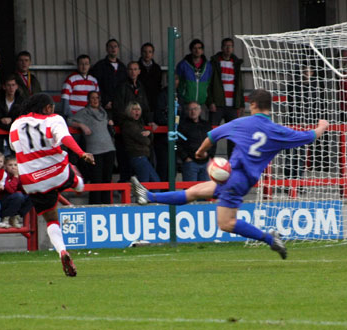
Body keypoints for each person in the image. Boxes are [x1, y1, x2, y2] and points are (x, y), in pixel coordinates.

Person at [131, 89, 329, 259]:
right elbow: (309, 136)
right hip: (239, 178)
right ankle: (147, 196)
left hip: (233, 177)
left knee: (226, 223)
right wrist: (322, 126)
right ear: (269, 106)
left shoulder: (241, 123)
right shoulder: (277, 131)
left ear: (252, 104)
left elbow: (212, 136)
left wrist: (200, 152)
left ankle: (270, 238)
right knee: (195, 192)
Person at [9, 93, 95, 276]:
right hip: (57, 173)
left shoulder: (15, 124)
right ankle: (77, 181)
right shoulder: (53, 119)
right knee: (75, 179)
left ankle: (62, 251)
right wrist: (81, 153)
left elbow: (14, 147)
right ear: (48, 108)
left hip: (31, 180)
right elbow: (65, 138)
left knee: (51, 219)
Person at [68, 91, 116, 204]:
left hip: (109, 149)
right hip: (95, 151)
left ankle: (107, 204)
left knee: (107, 180)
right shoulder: (84, 113)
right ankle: (95, 205)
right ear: (88, 100)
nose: (95, 100)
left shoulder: (103, 112)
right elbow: (69, 121)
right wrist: (81, 125)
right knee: (96, 179)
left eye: (97, 98)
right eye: (92, 98)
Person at [112, 61, 153, 183]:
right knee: (125, 163)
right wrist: (126, 122)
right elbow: (118, 108)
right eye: (130, 69)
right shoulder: (122, 86)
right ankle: (124, 190)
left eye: (135, 69)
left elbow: (145, 107)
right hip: (125, 129)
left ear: (139, 71)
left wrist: (150, 121)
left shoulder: (140, 86)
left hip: (139, 126)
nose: (133, 72)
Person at [207, 38, 245, 158]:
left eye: (230, 46)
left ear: (233, 48)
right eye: (225, 46)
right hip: (217, 105)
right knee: (213, 134)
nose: (228, 48)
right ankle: (209, 162)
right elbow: (208, 84)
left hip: (233, 106)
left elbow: (240, 85)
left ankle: (232, 164)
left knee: (233, 136)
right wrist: (210, 102)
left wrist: (241, 104)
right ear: (221, 47)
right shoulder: (214, 62)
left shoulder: (236, 63)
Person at [121, 101, 160, 183]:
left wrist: (149, 134)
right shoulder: (128, 124)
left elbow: (147, 138)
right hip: (138, 156)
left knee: (155, 182)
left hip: (143, 157)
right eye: (134, 109)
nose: (137, 111)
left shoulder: (138, 123)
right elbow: (145, 141)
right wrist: (149, 136)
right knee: (145, 183)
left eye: (138, 109)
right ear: (129, 111)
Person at [178, 102, 214, 181]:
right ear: (187, 111)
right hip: (190, 162)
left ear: (200, 110)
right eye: (190, 109)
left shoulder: (206, 125)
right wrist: (185, 157)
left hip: (206, 162)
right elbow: (177, 144)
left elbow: (213, 140)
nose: (193, 111)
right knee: (190, 191)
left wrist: (210, 155)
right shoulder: (182, 126)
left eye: (195, 109)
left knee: (205, 191)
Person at [175, 39, 212, 119]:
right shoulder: (183, 65)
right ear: (191, 50)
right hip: (186, 103)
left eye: (199, 48)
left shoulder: (208, 66)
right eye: (194, 48)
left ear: (202, 50)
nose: (197, 50)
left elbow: (209, 84)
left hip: (201, 103)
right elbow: (177, 83)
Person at [90, 39, 127, 111]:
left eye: (115, 46)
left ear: (118, 49)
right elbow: (96, 85)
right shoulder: (100, 66)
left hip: (120, 105)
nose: (113, 48)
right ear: (107, 49)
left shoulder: (123, 67)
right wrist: (104, 100)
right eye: (111, 47)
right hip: (105, 105)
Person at [61, 54, 99, 119]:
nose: (84, 66)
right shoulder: (71, 79)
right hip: (75, 115)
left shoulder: (94, 81)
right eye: (81, 64)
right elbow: (65, 100)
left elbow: (97, 99)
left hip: (90, 115)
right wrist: (70, 116)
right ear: (78, 65)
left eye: (86, 64)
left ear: (89, 66)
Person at [0, 155, 32, 228]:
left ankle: (15, 217)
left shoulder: (21, 174)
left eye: (15, 165)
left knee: (33, 195)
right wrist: (16, 177)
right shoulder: (3, 175)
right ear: (5, 166)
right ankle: (6, 218)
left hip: (17, 201)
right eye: (10, 165)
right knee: (18, 195)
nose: (13, 167)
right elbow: (10, 190)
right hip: (4, 201)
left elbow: (26, 189)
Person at [138, 42, 162, 116]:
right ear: (141, 53)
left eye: (150, 52)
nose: (147, 54)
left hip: (153, 101)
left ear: (153, 54)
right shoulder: (136, 67)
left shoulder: (157, 68)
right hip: (139, 100)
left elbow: (159, 85)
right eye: (145, 52)